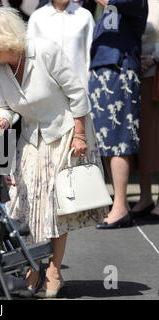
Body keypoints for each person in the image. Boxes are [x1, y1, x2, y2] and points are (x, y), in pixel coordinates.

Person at [0, 5, 107, 298]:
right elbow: (6, 104)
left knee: (53, 207)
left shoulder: (44, 50)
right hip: (32, 135)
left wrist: (81, 135)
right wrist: (2, 119)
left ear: (5, 38)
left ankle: (53, 270)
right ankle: (32, 265)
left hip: (66, 131)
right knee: (24, 204)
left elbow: (76, 92)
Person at [88, 0, 148, 229]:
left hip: (118, 70)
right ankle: (119, 204)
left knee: (118, 139)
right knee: (106, 142)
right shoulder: (106, 15)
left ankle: (121, 206)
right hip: (102, 70)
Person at [27, 0, 94, 91]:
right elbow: (30, 54)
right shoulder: (37, 17)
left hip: (79, 86)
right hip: (47, 87)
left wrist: (89, 82)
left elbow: (91, 53)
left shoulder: (85, 16)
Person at [131, 0, 159, 217]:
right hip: (133, 75)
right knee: (142, 139)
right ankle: (145, 196)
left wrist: (154, 57)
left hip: (154, 74)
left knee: (154, 138)